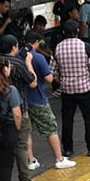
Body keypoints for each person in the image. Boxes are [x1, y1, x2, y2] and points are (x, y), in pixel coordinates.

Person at [51, 16, 90, 158]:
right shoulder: (85, 46)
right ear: (77, 31)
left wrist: (62, 83)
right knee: (89, 118)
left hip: (67, 90)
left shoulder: (57, 48)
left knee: (67, 119)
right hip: (85, 88)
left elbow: (53, 72)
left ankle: (68, 149)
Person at [18, 32, 67, 172]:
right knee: (50, 128)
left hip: (22, 101)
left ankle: (31, 160)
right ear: (37, 42)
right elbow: (49, 79)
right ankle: (59, 158)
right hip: (38, 99)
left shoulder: (16, 56)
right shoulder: (38, 57)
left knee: (26, 132)